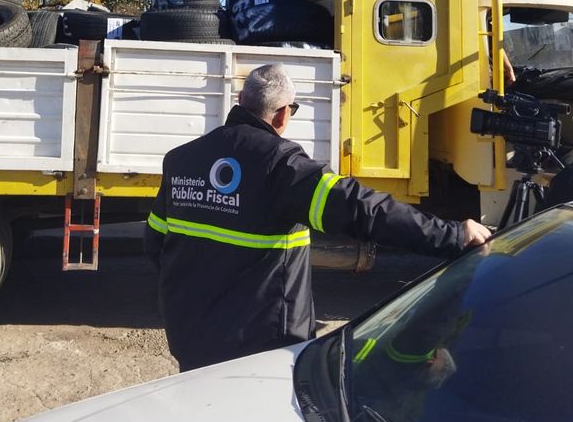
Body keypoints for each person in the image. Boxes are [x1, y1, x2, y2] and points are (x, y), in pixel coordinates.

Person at [145, 62, 491, 372]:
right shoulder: (281, 164)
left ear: (240, 100)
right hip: (259, 349)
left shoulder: (181, 159)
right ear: (282, 114)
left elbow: (155, 242)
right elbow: (363, 209)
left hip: (191, 338)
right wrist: (454, 235)